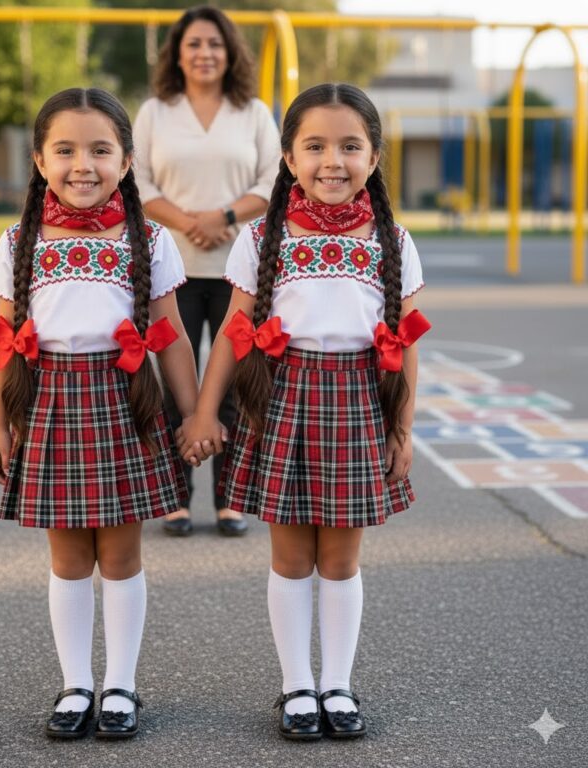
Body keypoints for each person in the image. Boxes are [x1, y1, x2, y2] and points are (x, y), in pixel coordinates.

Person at [178, 83, 430, 740]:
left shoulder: (392, 240)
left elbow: (402, 342)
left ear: (374, 156)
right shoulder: (261, 238)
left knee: (341, 560)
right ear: (288, 157)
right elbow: (235, 330)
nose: (332, 161)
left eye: (350, 146)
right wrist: (205, 413)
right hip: (283, 400)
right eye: (314, 146)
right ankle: (296, 687)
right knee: (291, 557)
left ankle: (337, 685)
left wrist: (403, 427)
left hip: (358, 406)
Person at [0, 87, 198, 741]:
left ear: (127, 161)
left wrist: (193, 417)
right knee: (69, 558)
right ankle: (77, 683)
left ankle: (121, 686)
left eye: (101, 149)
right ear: (41, 161)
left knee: (122, 555)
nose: (84, 164)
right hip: (48, 406)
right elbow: (2, 339)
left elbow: (173, 337)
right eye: (66, 150)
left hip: (125, 404)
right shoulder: (19, 240)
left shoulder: (152, 239)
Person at [133, 5, 281, 536]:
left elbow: (272, 181)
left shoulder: (254, 112)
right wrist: (190, 223)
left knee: (238, 381)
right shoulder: (155, 111)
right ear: (177, 52)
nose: (204, 53)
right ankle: (175, 497)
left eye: (214, 44)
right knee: (178, 384)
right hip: (170, 268)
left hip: (238, 269)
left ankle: (230, 497)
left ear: (230, 52)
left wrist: (222, 218)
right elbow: (140, 183)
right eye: (193, 43)